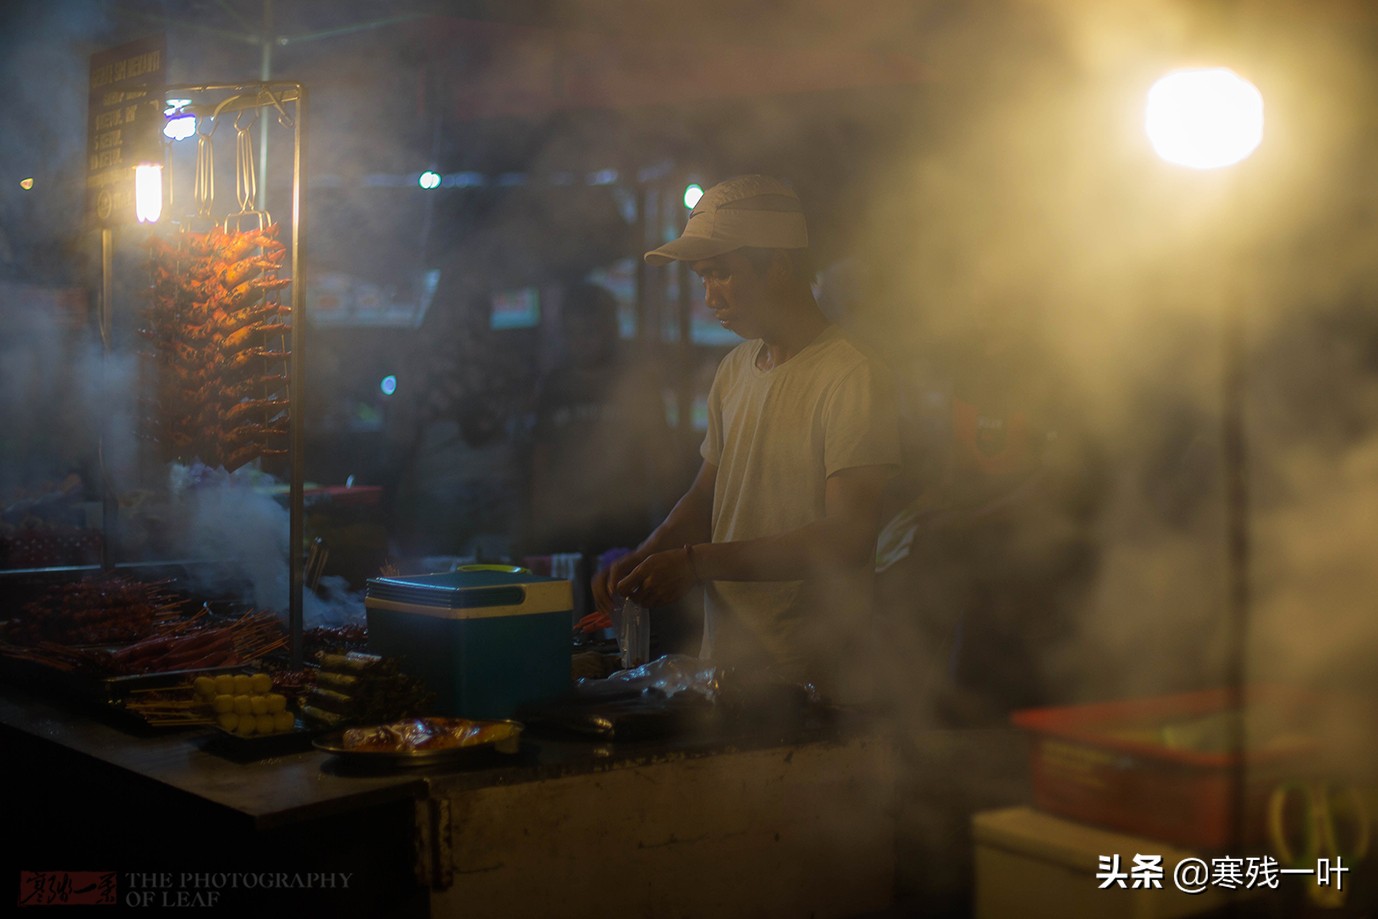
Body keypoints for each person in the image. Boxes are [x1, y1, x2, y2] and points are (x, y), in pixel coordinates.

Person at [591, 175, 901, 701]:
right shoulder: (735, 368)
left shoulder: (852, 376)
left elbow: (848, 536)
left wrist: (694, 563)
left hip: (816, 672)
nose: (710, 296)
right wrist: (649, 553)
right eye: (702, 278)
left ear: (778, 265)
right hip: (730, 661)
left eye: (721, 275)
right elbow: (708, 493)